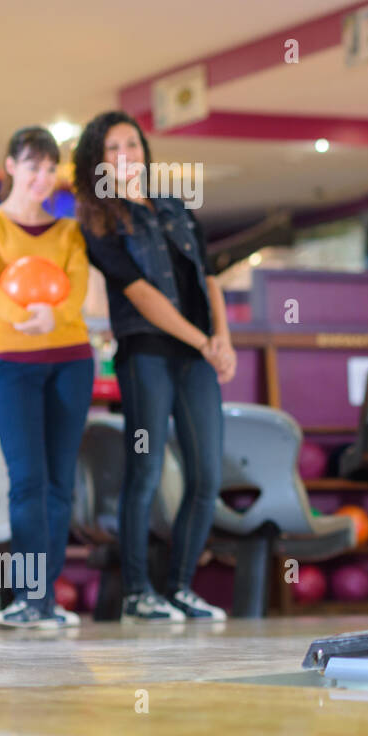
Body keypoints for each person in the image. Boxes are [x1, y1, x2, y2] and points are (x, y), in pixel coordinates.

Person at [73, 111, 235, 622]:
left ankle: (181, 586)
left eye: (133, 145)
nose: (126, 156)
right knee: (143, 471)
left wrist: (222, 341)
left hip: (198, 357)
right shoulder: (99, 219)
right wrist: (203, 342)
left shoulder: (175, 207)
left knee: (206, 473)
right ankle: (139, 592)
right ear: (98, 161)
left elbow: (208, 278)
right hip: (146, 354)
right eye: (114, 149)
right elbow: (141, 295)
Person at [0, 127, 93, 629]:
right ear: (11, 165)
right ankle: (27, 597)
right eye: (32, 165)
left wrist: (52, 319)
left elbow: (75, 291)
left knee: (60, 483)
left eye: (49, 167)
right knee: (27, 481)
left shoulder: (69, 232)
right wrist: (20, 314)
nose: (42, 176)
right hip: (13, 363)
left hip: (71, 360)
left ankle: (46, 601)